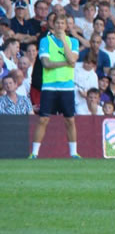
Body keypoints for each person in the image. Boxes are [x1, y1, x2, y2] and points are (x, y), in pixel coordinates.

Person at [28, 14, 81, 159]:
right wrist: (66, 63)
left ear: (66, 26)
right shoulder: (45, 41)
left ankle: (73, 153)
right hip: (50, 86)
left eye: (62, 23)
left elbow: (73, 59)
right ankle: (34, 153)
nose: (59, 26)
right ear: (53, 25)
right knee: (43, 119)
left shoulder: (73, 42)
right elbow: (46, 63)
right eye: (57, 23)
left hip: (67, 87)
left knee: (70, 120)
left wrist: (64, 40)